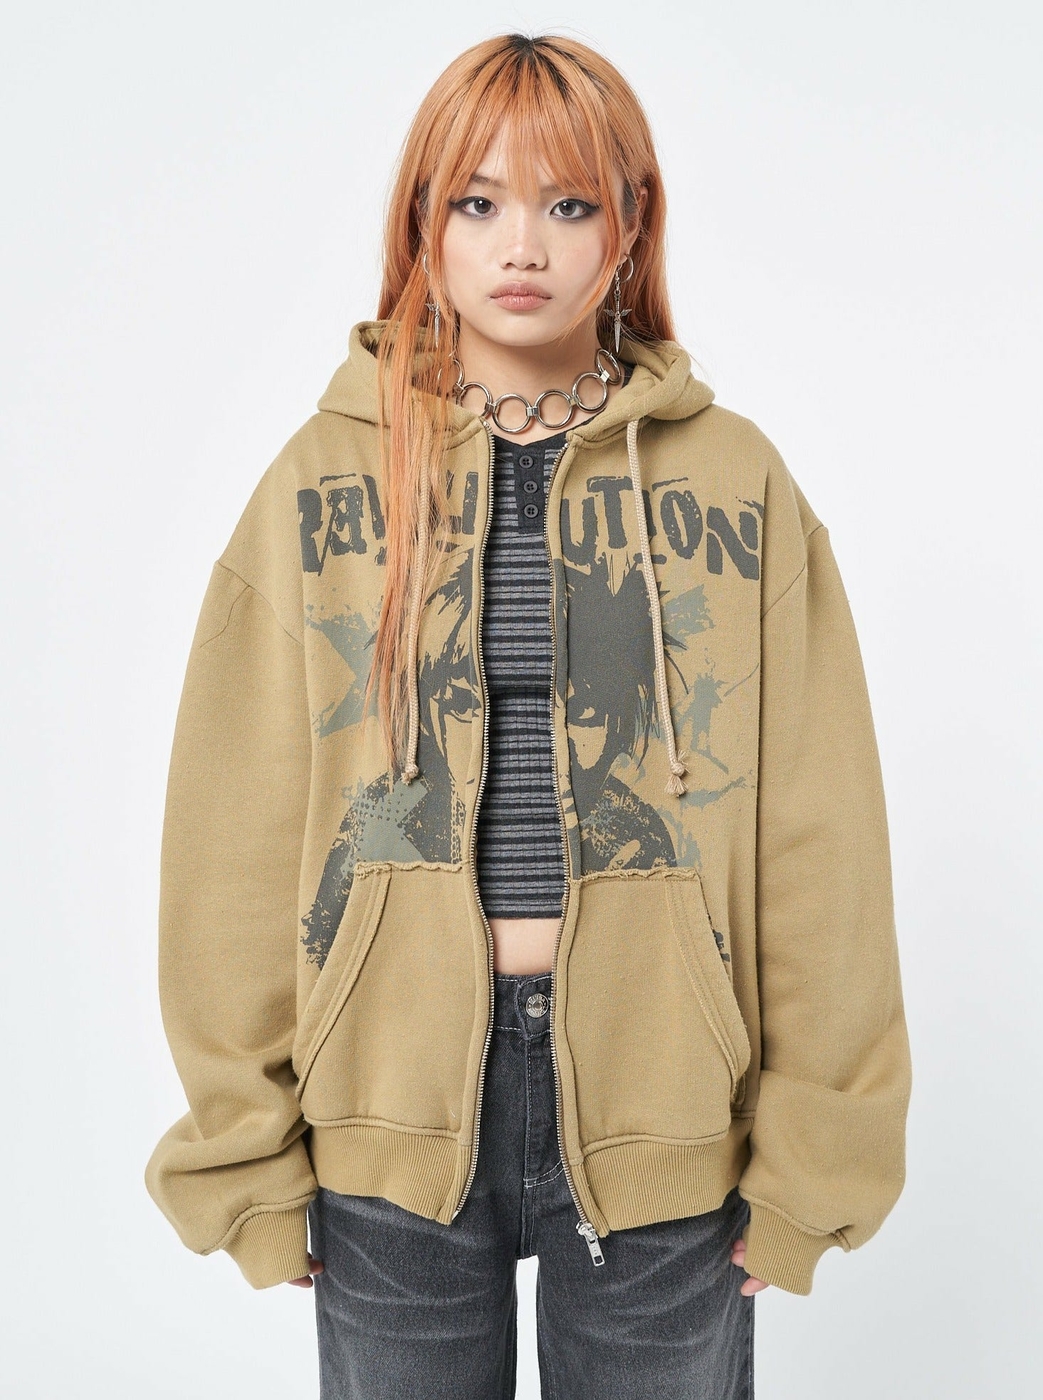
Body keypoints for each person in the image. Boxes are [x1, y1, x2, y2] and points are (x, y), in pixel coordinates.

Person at [145, 31, 912, 1399]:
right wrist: (246, 1152)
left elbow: (822, 833)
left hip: (664, 1094)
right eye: (477, 200)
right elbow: (234, 832)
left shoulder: (735, 482)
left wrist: (816, 1160)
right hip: (387, 1095)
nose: (523, 245)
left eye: (569, 203)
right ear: (421, 223)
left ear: (630, 227)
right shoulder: (321, 480)